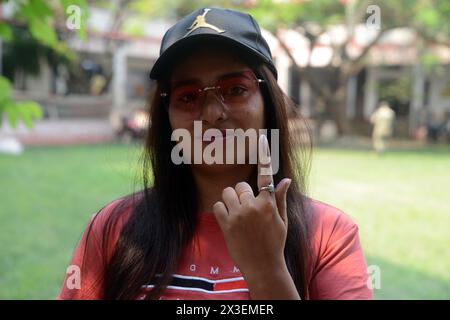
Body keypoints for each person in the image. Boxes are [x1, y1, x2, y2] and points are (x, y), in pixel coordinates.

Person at [58, 7, 372, 300]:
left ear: (267, 101)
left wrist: (268, 271)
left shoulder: (330, 235)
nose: (211, 113)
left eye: (235, 90)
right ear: (167, 116)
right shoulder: (113, 228)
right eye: (188, 96)